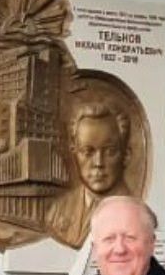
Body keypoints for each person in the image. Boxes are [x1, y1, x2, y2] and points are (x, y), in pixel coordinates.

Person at [48, 102, 135, 248]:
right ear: (74, 152)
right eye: (88, 151)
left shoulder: (134, 212)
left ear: (126, 155)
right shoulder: (58, 210)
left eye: (109, 151)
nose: (98, 163)